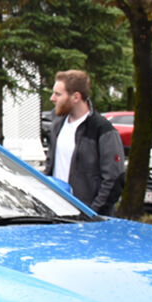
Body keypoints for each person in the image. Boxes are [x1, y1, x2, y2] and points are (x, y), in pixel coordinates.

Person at [45, 69, 125, 213]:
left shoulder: (102, 130)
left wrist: (92, 214)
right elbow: (50, 167)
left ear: (76, 97)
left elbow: (114, 179)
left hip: (87, 221)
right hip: (57, 214)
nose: (52, 98)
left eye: (58, 94)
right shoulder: (57, 125)